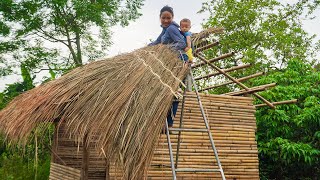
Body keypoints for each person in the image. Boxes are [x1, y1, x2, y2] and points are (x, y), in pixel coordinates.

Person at [149, 5, 187, 130]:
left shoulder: (171, 29)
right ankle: (164, 121)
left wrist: (166, 49)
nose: (165, 20)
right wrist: (146, 48)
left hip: (179, 61)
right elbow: (157, 42)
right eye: (163, 18)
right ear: (159, 18)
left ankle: (169, 122)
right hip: (172, 62)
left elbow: (182, 43)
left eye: (168, 18)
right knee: (169, 90)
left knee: (175, 91)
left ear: (172, 18)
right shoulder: (165, 30)